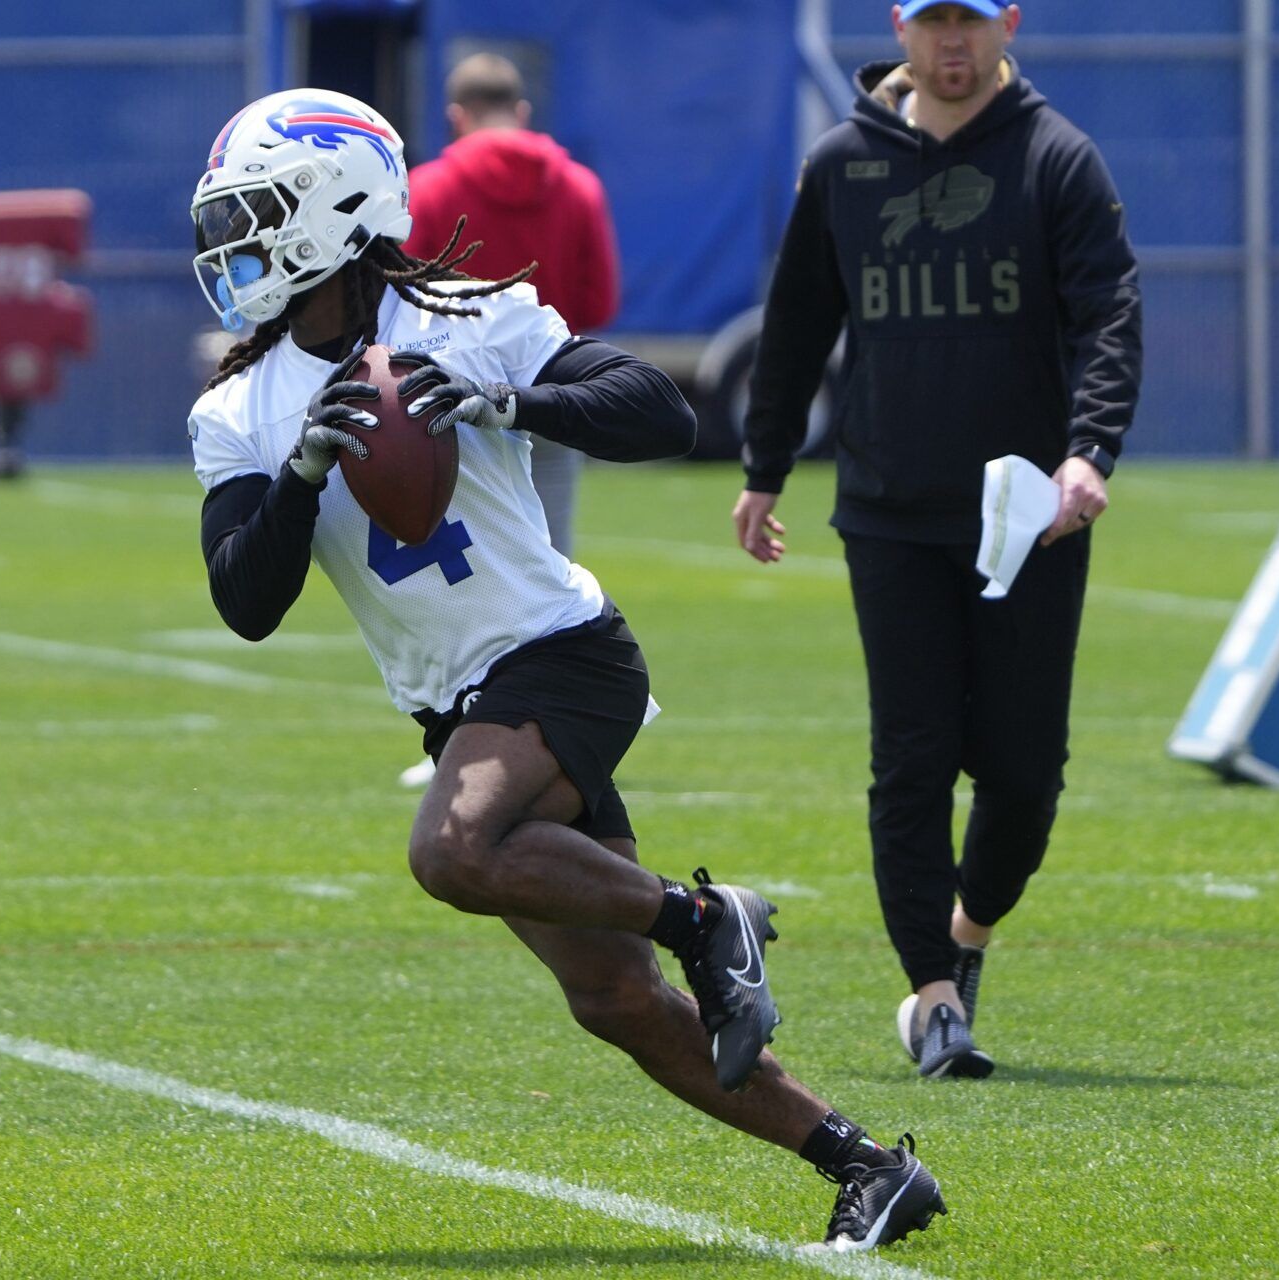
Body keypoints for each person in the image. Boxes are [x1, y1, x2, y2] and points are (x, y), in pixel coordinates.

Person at [191, 86, 944, 1251]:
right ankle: (866, 1165)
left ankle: (706, 916)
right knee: (616, 998)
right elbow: (246, 600)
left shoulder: (464, 318)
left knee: (451, 848)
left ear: (334, 209)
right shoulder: (240, 406)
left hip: (562, 656)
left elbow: (658, 411)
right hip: (463, 704)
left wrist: (510, 400)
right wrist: (299, 476)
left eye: (258, 212)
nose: (233, 243)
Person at [732, 1, 1142, 1079]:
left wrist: (1090, 450)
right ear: (900, 27)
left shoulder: (1058, 157)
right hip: (889, 506)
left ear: (1009, 23)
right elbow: (798, 318)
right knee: (910, 761)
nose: (952, 45)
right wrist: (764, 465)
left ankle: (964, 939)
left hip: (1030, 517)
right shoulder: (844, 163)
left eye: (972, 22)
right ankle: (930, 999)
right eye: (933, 23)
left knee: (1021, 775)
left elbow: (1110, 311)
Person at [397, 52, 622, 789]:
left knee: (466, 581)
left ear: (455, 116)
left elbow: (400, 303)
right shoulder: (580, 188)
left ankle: (472, 740)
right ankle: (556, 731)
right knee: (546, 565)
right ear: (522, 112)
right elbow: (599, 296)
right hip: (549, 397)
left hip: (451, 412)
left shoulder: (429, 189)